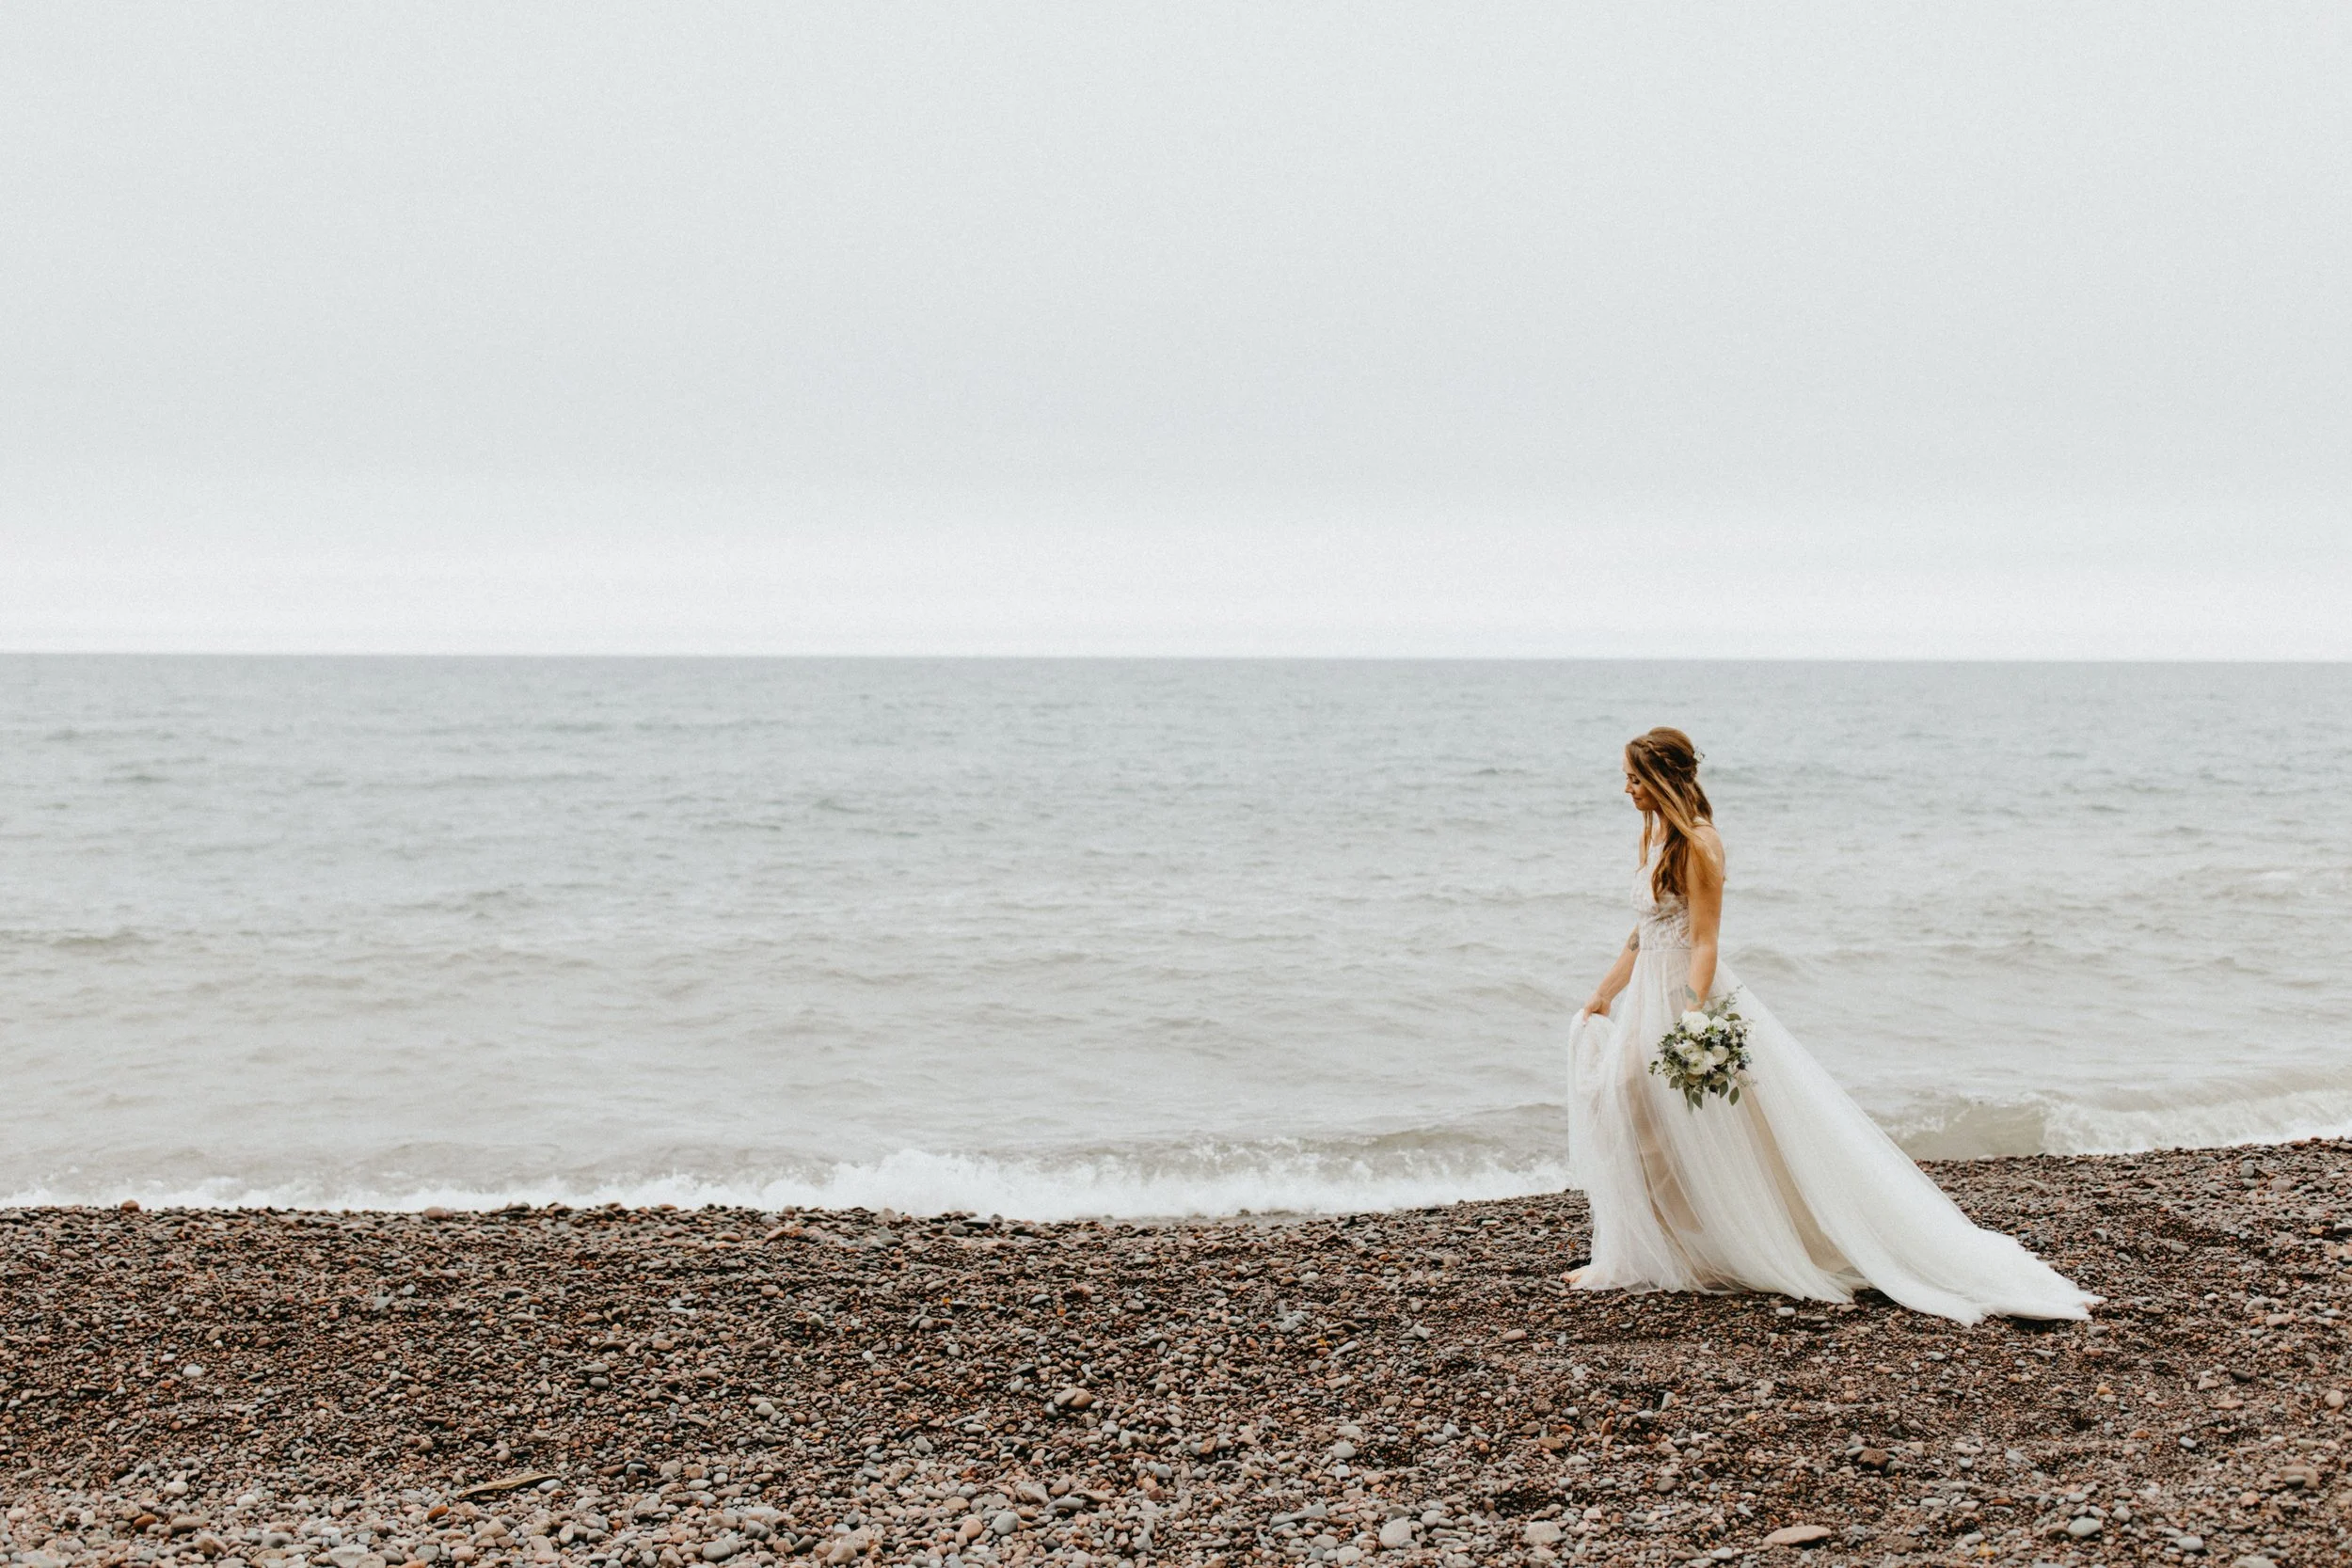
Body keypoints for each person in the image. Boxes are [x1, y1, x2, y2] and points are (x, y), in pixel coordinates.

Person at [1565, 727, 2097, 1323]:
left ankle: (1717, 1245)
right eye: (1627, 778)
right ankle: (1663, 1247)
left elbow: (1706, 939)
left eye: (1635, 778)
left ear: (1663, 778)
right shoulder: (1655, 837)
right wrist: (1602, 994)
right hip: (1646, 995)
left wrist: (1692, 1016)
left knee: (1715, 1122)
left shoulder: (1700, 844)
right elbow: (1644, 932)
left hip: (1685, 996)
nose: (1627, 789)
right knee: (1633, 1106)